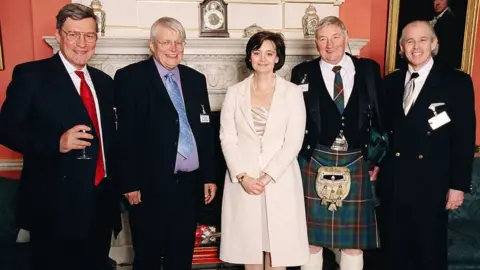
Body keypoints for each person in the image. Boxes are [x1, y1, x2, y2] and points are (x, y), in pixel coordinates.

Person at [0, 3, 120, 270]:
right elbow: (6, 129)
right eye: (73, 34)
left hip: (100, 205)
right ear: (58, 35)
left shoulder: (104, 81)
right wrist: (56, 142)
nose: (82, 43)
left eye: (89, 35)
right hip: (54, 208)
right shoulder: (31, 75)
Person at [113, 17, 217, 270]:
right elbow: (123, 136)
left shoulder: (196, 79)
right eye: (166, 42)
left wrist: (209, 176)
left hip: (189, 187)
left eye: (178, 42)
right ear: (152, 45)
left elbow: (204, 132)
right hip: (148, 188)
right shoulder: (130, 78)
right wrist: (129, 182)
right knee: (147, 257)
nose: (174, 48)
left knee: (180, 258)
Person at [290, 16, 385, 270]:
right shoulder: (302, 73)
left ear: (346, 38)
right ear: (315, 43)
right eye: (322, 39)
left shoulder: (368, 69)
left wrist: (376, 158)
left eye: (335, 37)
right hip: (315, 158)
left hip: (356, 158)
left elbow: (380, 117)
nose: (329, 45)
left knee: (353, 242)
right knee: (311, 240)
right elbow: (293, 119)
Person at [379, 20, 475, 270]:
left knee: (428, 257)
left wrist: (458, 185)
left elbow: (465, 137)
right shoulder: (390, 83)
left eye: (423, 40)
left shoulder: (457, 82)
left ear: (434, 44)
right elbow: (381, 132)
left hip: (432, 185)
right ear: (401, 48)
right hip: (395, 183)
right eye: (409, 41)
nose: (416, 46)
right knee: (393, 256)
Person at [219, 31, 309, 270]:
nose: (263, 58)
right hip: (244, 183)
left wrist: (268, 176)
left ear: (278, 58)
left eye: (269, 53)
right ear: (250, 56)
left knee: (277, 250)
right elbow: (227, 138)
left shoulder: (292, 93)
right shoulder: (234, 93)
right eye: (257, 52)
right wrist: (243, 177)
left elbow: (294, 141)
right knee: (250, 249)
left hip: (279, 181)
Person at [429, 0, 464, 68]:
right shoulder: (435, 18)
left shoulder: (451, 20)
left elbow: (447, 49)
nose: (437, 3)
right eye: (435, 0)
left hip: (442, 65)